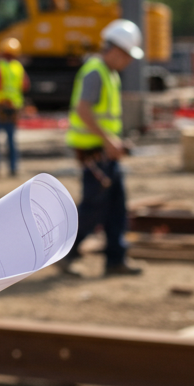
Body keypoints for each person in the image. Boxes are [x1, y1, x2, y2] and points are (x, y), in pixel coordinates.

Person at [59, 20, 144, 278]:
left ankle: (116, 259)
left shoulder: (109, 73)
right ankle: (65, 253)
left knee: (117, 207)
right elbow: (83, 110)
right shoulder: (96, 72)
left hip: (104, 153)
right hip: (93, 153)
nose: (128, 62)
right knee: (93, 207)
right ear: (116, 50)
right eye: (127, 56)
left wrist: (114, 141)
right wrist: (109, 141)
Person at [0, 37, 30, 178]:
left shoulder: (0, 66)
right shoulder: (18, 67)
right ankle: (13, 168)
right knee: (11, 140)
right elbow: (25, 85)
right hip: (13, 108)